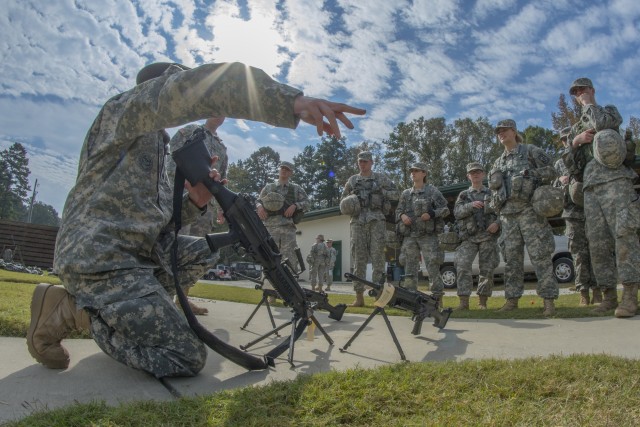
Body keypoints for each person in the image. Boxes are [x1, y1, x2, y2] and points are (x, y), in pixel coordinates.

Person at [26, 61, 365, 377]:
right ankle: (75, 311)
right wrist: (289, 102)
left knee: (205, 249)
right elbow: (196, 89)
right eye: (176, 87)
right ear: (159, 89)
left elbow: (160, 221)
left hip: (138, 256)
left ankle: (136, 313)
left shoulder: (159, 149)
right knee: (184, 354)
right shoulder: (120, 115)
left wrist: (196, 202)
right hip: (100, 259)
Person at [563, 77, 640, 317]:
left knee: (624, 236)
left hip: (616, 181)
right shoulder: (575, 129)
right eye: (576, 92)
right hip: (591, 188)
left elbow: (602, 123)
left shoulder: (608, 111)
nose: (579, 94)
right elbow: (570, 167)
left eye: (583, 90)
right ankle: (608, 296)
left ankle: (629, 297)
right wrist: (575, 143)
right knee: (597, 243)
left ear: (592, 90)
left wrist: (588, 105)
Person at [489, 119, 559, 316]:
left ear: (513, 131)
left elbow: (552, 171)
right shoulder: (498, 162)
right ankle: (511, 300)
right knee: (511, 260)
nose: (501, 134)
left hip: (530, 212)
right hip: (507, 216)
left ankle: (548, 302)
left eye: (504, 130)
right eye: (498, 132)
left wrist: (531, 173)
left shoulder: (530, 151)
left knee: (540, 255)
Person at [166, 116, 228, 315]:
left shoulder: (222, 149)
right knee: (173, 246)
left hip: (204, 208)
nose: (219, 114)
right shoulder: (190, 131)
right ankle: (164, 298)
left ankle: (182, 299)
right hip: (181, 198)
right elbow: (170, 159)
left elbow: (222, 178)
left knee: (198, 250)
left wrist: (221, 207)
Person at [340, 151, 399, 307]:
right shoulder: (352, 180)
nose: (362, 164)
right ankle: (359, 297)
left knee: (378, 258)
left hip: (377, 222)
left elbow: (396, 194)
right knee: (358, 259)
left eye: (365, 161)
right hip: (357, 222)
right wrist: (351, 202)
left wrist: (382, 192)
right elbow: (343, 202)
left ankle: (378, 296)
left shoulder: (381, 178)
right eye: (360, 161)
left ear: (372, 162)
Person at [553, 126, 600, 306]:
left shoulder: (589, 154)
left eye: (568, 138)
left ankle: (598, 291)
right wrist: (560, 181)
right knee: (578, 254)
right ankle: (583, 292)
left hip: (592, 209)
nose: (566, 142)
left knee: (596, 251)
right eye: (564, 139)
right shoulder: (560, 163)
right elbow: (553, 186)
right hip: (572, 212)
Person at [395, 162, 449, 301]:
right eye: (412, 171)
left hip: (428, 236)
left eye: (416, 170)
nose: (413, 173)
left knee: (432, 266)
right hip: (410, 236)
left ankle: (437, 298)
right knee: (409, 267)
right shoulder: (406, 194)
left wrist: (431, 214)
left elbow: (445, 209)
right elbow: (398, 211)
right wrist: (403, 216)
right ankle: (410, 297)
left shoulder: (432, 191)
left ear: (424, 173)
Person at [453, 162, 500, 310]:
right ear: (468, 176)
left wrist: (497, 223)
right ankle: (463, 302)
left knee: (486, 269)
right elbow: (457, 213)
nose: (476, 174)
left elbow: (503, 212)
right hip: (469, 237)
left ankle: (482, 302)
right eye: (472, 172)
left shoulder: (492, 193)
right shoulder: (464, 195)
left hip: (488, 236)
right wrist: (470, 206)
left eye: (478, 171)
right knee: (462, 265)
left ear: (484, 174)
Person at [256, 161, 309, 274]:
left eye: (287, 169)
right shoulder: (269, 187)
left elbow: (307, 202)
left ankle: (290, 286)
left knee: (290, 257)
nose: (284, 170)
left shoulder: (296, 188)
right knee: (268, 256)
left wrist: (295, 205)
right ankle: (268, 285)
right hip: (270, 227)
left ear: (291, 173)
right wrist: (259, 206)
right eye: (282, 168)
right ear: (279, 170)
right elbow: (258, 200)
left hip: (288, 227)